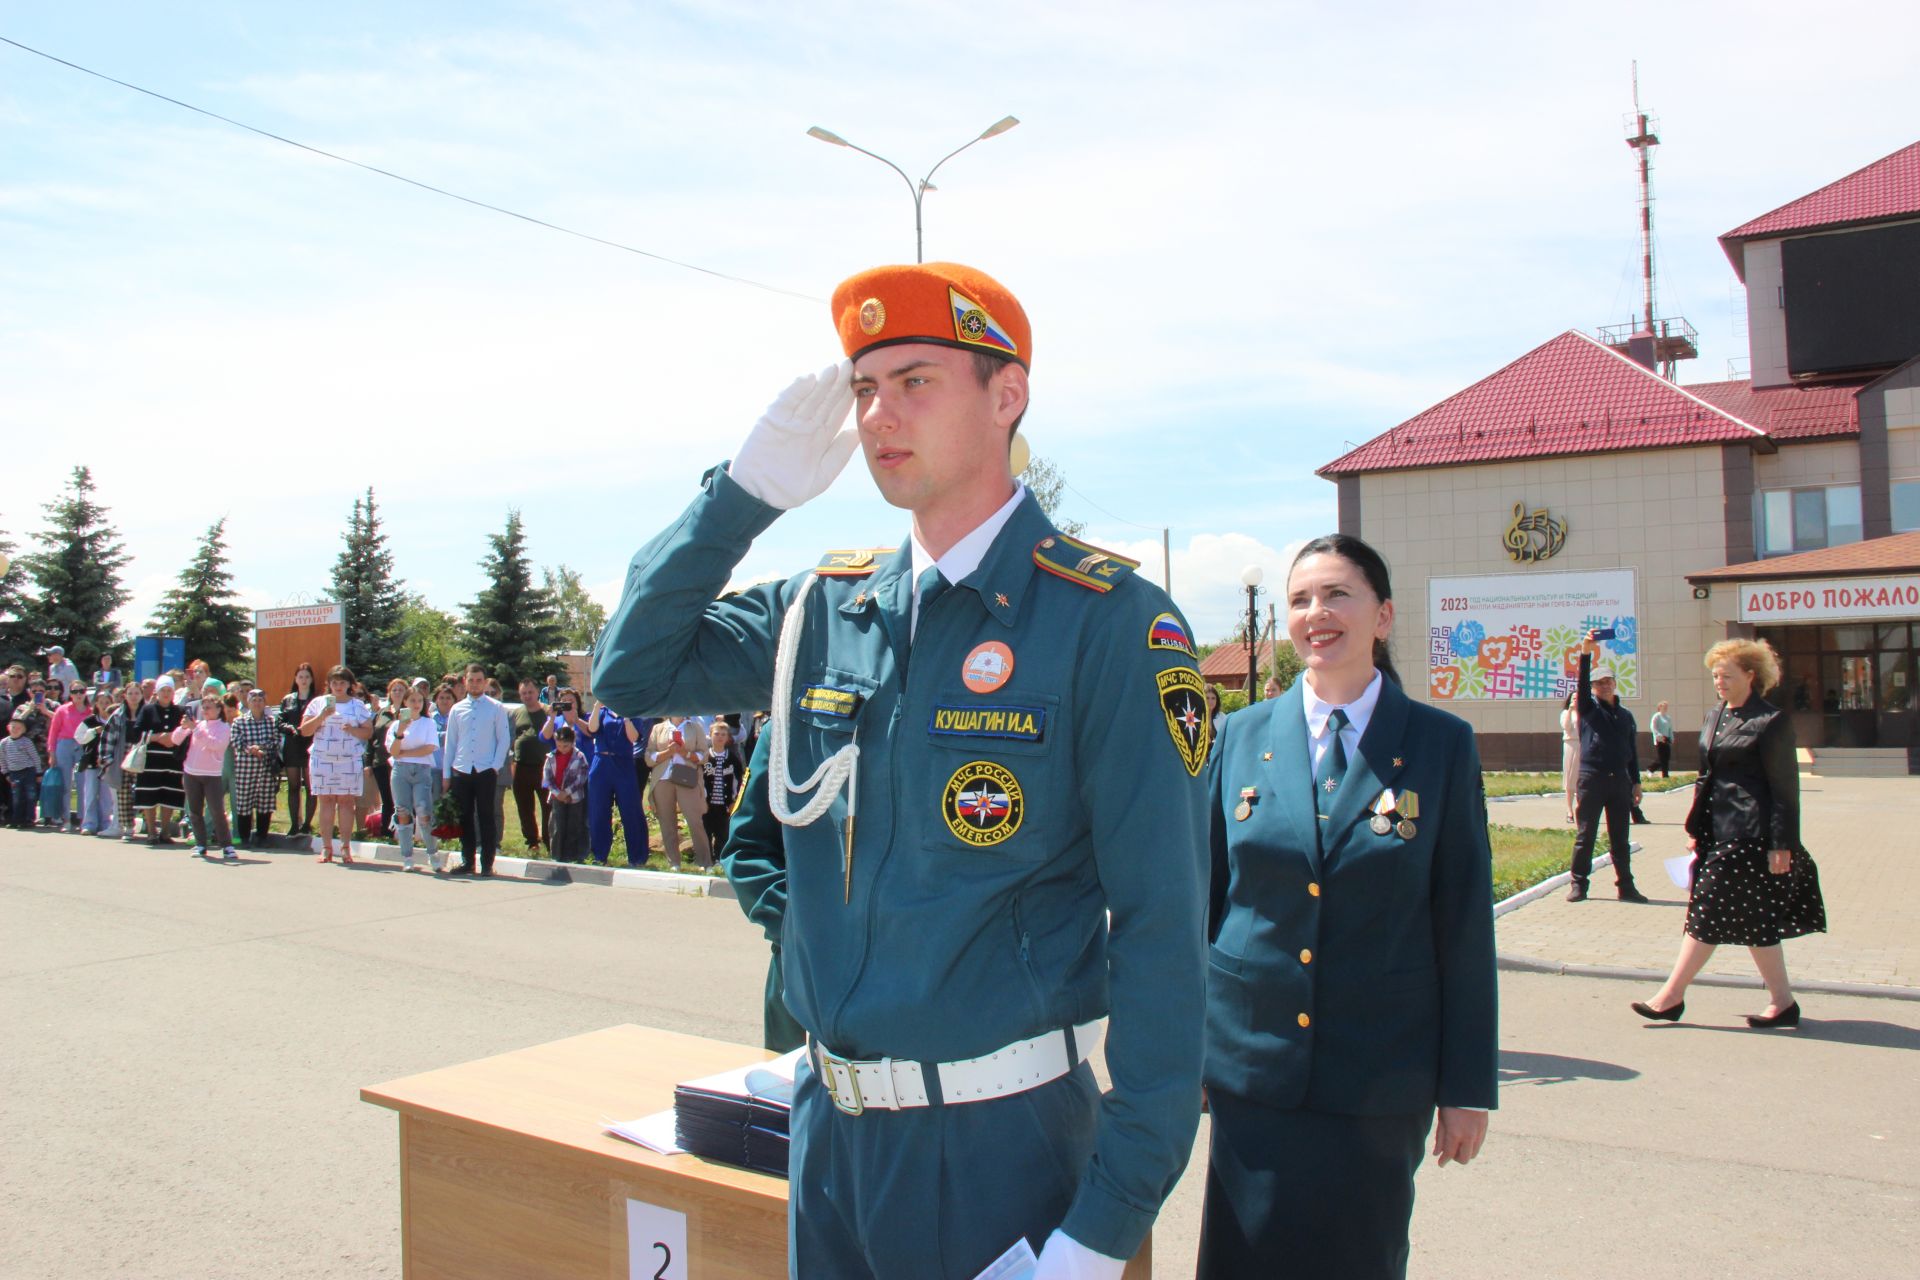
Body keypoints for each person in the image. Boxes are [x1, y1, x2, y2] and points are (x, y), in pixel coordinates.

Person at [592, 261, 1210, 1277]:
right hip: (830, 1134)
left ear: (1006, 396)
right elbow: (634, 670)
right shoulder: (824, 607)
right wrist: (739, 498)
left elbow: (1165, 936)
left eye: (916, 380)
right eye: (865, 388)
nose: (880, 414)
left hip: (998, 1145)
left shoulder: (1111, 624)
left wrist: (1103, 1230)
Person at [1201, 534, 1496, 1279]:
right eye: (1299, 599)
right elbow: (1202, 900)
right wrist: (1184, 1051)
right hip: (1251, 1071)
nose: (1316, 613)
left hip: (1377, 1080)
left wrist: (1466, 1088)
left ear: (1383, 616)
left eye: (1337, 595)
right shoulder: (1239, 735)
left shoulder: (1440, 745)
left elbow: (1462, 925)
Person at [1632, 639, 1826, 1029]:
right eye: (1715, 675)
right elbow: (1707, 777)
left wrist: (1781, 845)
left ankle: (1671, 996)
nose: (1719, 682)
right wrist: (1695, 829)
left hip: (1751, 833)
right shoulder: (1715, 715)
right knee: (1756, 921)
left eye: (1727, 675)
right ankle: (1783, 1002)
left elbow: (1785, 789)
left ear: (1752, 676)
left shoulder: (1770, 721)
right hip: (1717, 830)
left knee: (1706, 911)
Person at [722, 729, 807, 1053]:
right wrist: (795, 926)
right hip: (802, 975)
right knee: (790, 1095)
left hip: (930, 982)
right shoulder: (791, 725)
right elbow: (746, 850)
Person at [1566, 635, 1647, 903]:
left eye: (1608, 681)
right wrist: (1586, 654)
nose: (1605, 686)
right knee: (1585, 835)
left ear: (1614, 683)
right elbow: (1581, 680)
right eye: (1599, 683)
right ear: (1592, 688)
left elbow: (1632, 752)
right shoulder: (1588, 709)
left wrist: (1635, 782)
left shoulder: (1625, 716)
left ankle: (1626, 887)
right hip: (1592, 780)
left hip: (1619, 783)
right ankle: (1579, 885)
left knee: (1620, 838)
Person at [442, 662, 509, 876]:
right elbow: (450, 743)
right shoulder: (457, 709)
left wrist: (495, 766)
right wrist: (446, 774)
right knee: (465, 817)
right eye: (471, 680)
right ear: (465, 681)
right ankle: (467, 860)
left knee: (486, 815)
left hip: (485, 770)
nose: (475, 684)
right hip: (462, 770)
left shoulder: (495, 708)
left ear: (485, 681)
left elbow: (504, 739)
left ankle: (487, 863)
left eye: (479, 680)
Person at [302, 665, 374, 865]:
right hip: (323, 759)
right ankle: (326, 847)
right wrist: (321, 716)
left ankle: (345, 846)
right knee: (325, 801)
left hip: (348, 759)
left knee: (345, 802)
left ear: (350, 684)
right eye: (334, 682)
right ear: (329, 684)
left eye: (342, 682)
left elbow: (368, 732)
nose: (338, 686)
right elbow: (305, 731)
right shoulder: (317, 703)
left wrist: (352, 730)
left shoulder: (357, 705)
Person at [583, 702, 648, 867]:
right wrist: (597, 706)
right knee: (598, 810)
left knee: (630, 810)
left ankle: (637, 857)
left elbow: (633, 737)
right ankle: (599, 855)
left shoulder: (633, 712)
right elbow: (592, 728)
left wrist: (626, 717)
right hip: (601, 763)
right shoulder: (603, 711)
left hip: (623, 763)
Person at [174, 689, 236, 859]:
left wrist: (195, 729)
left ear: (218, 709)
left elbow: (215, 745)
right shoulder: (199, 725)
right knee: (194, 811)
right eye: (204, 707)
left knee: (217, 811)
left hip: (212, 775)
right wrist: (183, 727)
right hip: (191, 773)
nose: (205, 710)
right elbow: (175, 739)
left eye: (209, 707)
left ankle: (227, 845)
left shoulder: (224, 728)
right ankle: (201, 844)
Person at [644, 715, 710, 869]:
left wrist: (684, 753)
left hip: (687, 776)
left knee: (695, 821)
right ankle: (674, 862)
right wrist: (668, 752)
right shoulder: (658, 728)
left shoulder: (695, 727)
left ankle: (705, 862)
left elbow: (704, 755)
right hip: (662, 778)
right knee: (667, 822)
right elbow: (649, 757)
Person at [387, 685, 441, 872]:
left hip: (422, 770)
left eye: (419, 701)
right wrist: (400, 732)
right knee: (402, 812)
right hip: (400, 770)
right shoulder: (396, 725)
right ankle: (407, 856)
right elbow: (394, 751)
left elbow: (429, 747)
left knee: (424, 811)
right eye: (412, 701)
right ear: (404, 702)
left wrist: (406, 753)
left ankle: (432, 852)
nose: (416, 704)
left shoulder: (428, 723)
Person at [133, 677, 188, 846]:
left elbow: (187, 731)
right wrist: (156, 737)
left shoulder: (180, 710)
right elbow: (136, 733)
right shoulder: (148, 710)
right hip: (151, 761)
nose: (166, 694)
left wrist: (172, 738)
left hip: (172, 760)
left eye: (169, 690)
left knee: (169, 794)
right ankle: (151, 831)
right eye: (163, 690)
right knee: (150, 793)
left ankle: (165, 831)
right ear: (157, 692)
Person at [230, 689, 280, 849]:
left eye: (260, 700)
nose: (257, 703)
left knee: (265, 801)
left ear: (265, 702)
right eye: (254, 700)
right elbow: (236, 741)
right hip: (245, 767)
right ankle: (244, 837)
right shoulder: (239, 722)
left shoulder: (272, 721)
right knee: (244, 802)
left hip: (265, 767)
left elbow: (276, 739)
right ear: (248, 702)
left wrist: (262, 748)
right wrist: (250, 749)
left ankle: (262, 836)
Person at [508, 679, 551, 854]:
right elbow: (511, 738)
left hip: (544, 766)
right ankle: (532, 840)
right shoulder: (516, 713)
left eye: (530, 692)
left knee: (547, 807)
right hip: (521, 766)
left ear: (537, 692)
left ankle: (550, 840)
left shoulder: (547, 711)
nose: (527, 696)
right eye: (524, 693)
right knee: (524, 807)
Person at [279, 664, 319, 836]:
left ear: (311, 680)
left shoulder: (317, 699)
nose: (303, 680)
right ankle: (294, 824)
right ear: (295, 679)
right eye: (300, 677)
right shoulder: (288, 699)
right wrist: (291, 729)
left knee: (311, 787)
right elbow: (279, 721)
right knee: (294, 786)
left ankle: (307, 825)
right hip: (292, 746)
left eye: (307, 677)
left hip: (310, 745)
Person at [44, 680, 88, 830]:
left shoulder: (90, 711)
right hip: (64, 744)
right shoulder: (62, 710)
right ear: (70, 694)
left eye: (81, 691)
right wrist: (52, 753)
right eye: (75, 692)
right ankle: (66, 819)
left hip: (83, 746)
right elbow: (53, 732)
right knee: (65, 783)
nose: (78, 695)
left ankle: (83, 819)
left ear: (85, 692)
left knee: (83, 783)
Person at [541, 724, 589, 863]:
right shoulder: (550, 757)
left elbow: (582, 776)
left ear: (573, 742)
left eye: (566, 746)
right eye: (559, 745)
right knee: (557, 826)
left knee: (574, 825)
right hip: (557, 797)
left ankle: (573, 855)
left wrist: (567, 792)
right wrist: (557, 793)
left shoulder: (580, 757)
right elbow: (547, 778)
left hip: (575, 797)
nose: (562, 749)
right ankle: (557, 855)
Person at [700, 718, 746, 857]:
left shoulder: (732, 758)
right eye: (716, 734)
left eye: (723, 735)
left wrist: (735, 801)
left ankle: (721, 858)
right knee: (705, 830)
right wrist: (701, 799)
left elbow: (740, 780)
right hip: (706, 803)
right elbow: (698, 780)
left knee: (723, 832)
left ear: (728, 738)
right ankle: (707, 859)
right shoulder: (704, 757)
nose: (719, 737)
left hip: (725, 803)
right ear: (710, 735)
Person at [112, 683, 144, 840]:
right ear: (125, 695)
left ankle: (143, 819)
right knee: (123, 791)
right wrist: (106, 757)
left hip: (141, 752)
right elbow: (108, 736)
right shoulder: (118, 715)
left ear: (141, 695)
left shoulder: (146, 713)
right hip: (122, 753)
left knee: (141, 789)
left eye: (137, 693)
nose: (133, 696)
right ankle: (128, 826)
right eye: (130, 693)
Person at [5, 708, 42, 828]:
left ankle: (29, 819)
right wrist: (6, 773)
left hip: (28, 771)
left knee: (30, 796)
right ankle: (17, 819)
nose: (15, 730)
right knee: (17, 797)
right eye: (13, 727)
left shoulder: (26, 742)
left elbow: (35, 757)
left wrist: (38, 773)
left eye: (19, 728)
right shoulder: (4, 743)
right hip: (14, 773)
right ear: (8, 728)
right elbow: (2, 760)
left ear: (23, 730)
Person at [1558, 691, 1580, 824]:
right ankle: (1569, 810)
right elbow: (1566, 727)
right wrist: (1571, 709)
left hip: (1583, 745)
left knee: (1582, 779)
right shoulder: (1566, 713)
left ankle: (1580, 809)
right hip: (1571, 744)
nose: (1575, 700)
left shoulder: (1586, 712)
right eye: (1573, 698)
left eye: (1578, 698)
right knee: (1570, 779)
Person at [1650, 700, 1674, 780]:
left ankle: (1665, 775)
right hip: (1659, 739)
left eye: (1667, 707)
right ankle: (1651, 769)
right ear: (1660, 707)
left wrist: (1672, 737)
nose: (1666, 708)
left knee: (1667, 757)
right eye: (1664, 706)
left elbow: (1670, 728)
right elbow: (1653, 727)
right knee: (1661, 758)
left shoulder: (1668, 717)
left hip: (1666, 738)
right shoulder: (1656, 716)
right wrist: (1658, 735)